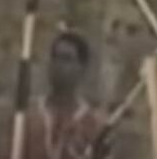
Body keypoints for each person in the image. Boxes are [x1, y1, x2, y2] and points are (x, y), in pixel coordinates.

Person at [23, 31, 108, 159]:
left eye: (66, 59)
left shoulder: (94, 124)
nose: (58, 65)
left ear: (82, 68)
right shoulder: (28, 115)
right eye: (55, 58)